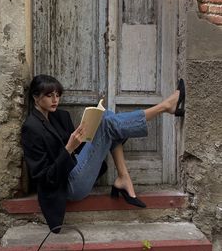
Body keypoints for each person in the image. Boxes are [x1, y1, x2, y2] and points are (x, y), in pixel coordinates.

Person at [21, 74, 185, 232]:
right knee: (108, 124)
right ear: (36, 97)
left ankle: (123, 178)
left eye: (58, 95)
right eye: (49, 95)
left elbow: (78, 149)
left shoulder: (60, 116)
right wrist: (69, 149)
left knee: (105, 116)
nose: (55, 100)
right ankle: (164, 107)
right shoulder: (31, 128)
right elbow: (45, 179)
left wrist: (89, 133)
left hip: (76, 168)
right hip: (67, 186)